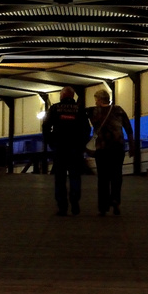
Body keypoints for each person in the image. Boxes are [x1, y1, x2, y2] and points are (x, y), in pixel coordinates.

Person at [42, 86, 89, 215]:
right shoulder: (79, 110)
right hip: (75, 149)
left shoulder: (55, 108)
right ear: (72, 96)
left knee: (60, 178)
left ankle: (62, 207)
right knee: (75, 176)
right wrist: (81, 144)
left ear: (62, 96)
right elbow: (86, 129)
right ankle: (75, 203)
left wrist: (51, 142)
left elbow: (46, 126)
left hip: (60, 149)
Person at [88, 88, 135, 216]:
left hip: (102, 149)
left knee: (103, 178)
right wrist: (131, 146)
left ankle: (103, 208)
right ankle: (115, 200)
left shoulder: (93, 111)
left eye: (96, 100)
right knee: (116, 175)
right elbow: (129, 129)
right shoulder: (118, 110)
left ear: (98, 99)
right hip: (117, 148)